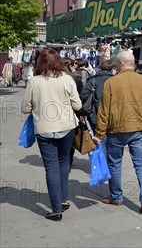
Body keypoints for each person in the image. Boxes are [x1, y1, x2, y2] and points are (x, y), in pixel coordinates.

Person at [93, 50, 142, 214]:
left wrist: (99, 134)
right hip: (137, 129)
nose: (114, 65)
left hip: (116, 130)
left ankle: (116, 196)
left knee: (115, 163)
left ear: (121, 63)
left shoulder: (111, 83)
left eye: (116, 62)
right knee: (140, 163)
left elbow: (103, 112)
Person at [21, 48, 82, 221]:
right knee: (64, 163)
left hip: (45, 129)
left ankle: (56, 209)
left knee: (51, 167)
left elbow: (25, 108)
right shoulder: (67, 79)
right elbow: (77, 105)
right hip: (67, 126)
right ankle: (63, 199)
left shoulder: (34, 81)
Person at [79, 59, 116, 132]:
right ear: (112, 69)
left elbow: (83, 95)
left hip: (95, 114)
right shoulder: (116, 80)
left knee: (98, 138)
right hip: (113, 116)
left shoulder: (93, 80)